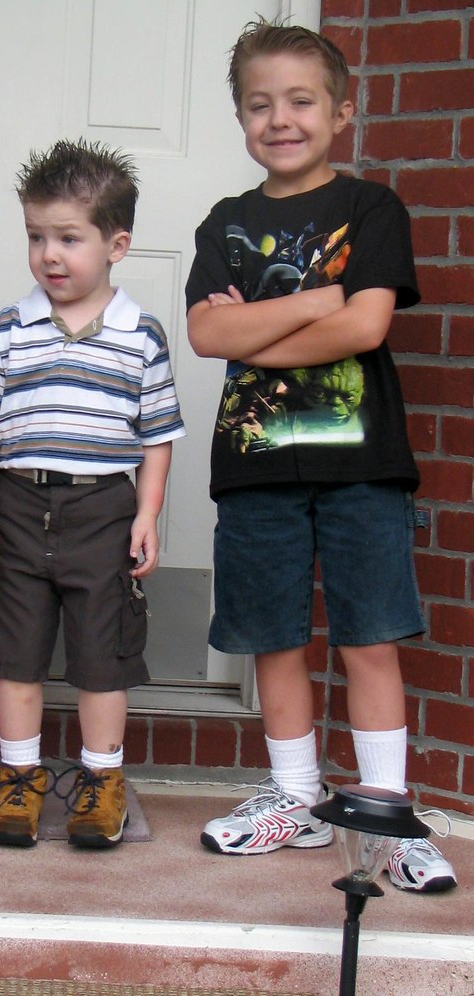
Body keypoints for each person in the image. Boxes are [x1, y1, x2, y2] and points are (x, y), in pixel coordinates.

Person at [185, 19, 456, 893]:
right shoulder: (225, 224)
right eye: (259, 104)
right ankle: (296, 800)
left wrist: (255, 334)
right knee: (272, 637)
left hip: (360, 466)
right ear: (239, 115)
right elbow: (204, 331)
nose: (281, 118)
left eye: (301, 101)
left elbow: (366, 324)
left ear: (342, 110)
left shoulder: (369, 208)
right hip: (256, 464)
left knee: (370, 633)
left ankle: (386, 815)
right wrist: (321, 299)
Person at [0, 139, 185, 849]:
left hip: (102, 509)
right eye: (36, 237)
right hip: (19, 505)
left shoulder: (139, 336)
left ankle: (100, 783)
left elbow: (156, 435)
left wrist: (147, 514)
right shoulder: (7, 330)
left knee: (100, 656)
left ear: (117, 244)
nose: (49, 255)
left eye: (68, 239)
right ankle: (19, 782)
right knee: (15, 653)